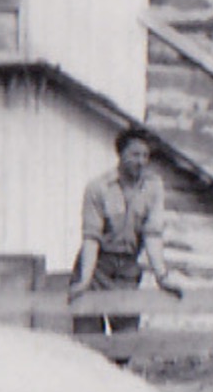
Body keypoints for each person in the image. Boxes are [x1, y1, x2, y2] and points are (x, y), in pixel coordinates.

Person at [69, 126, 187, 341]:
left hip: (128, 268)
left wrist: (162, 277)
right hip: (97, 265)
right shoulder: (98, 187)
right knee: (89, 339)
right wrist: (85, 279)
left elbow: (152, 235)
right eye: (134, 155)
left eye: (145, 156)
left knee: (126, 339)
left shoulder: (153, 188)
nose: (140, 161)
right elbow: (91, 237)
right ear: (120, 154)